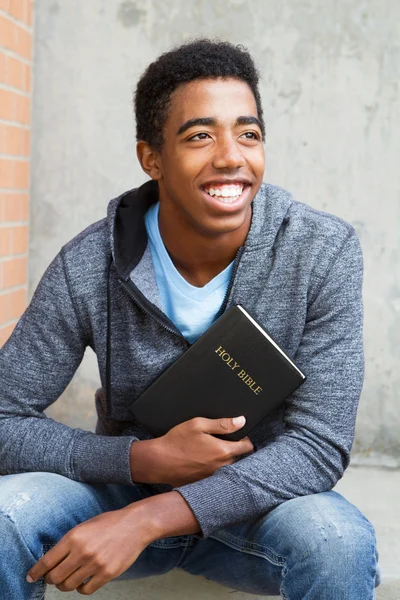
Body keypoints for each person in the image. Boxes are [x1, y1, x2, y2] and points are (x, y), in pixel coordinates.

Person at [0, 39, 380, 599]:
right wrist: (138, 458)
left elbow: (318, 444)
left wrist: (152, 518)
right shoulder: (91, 263)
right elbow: (5, 418)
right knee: (6, 516)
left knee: (338, 542)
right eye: (200, 135)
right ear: (151, 158)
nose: (231, 156)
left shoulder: (320, 251)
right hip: (121, 488)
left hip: (261, 503)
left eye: (248, 134)